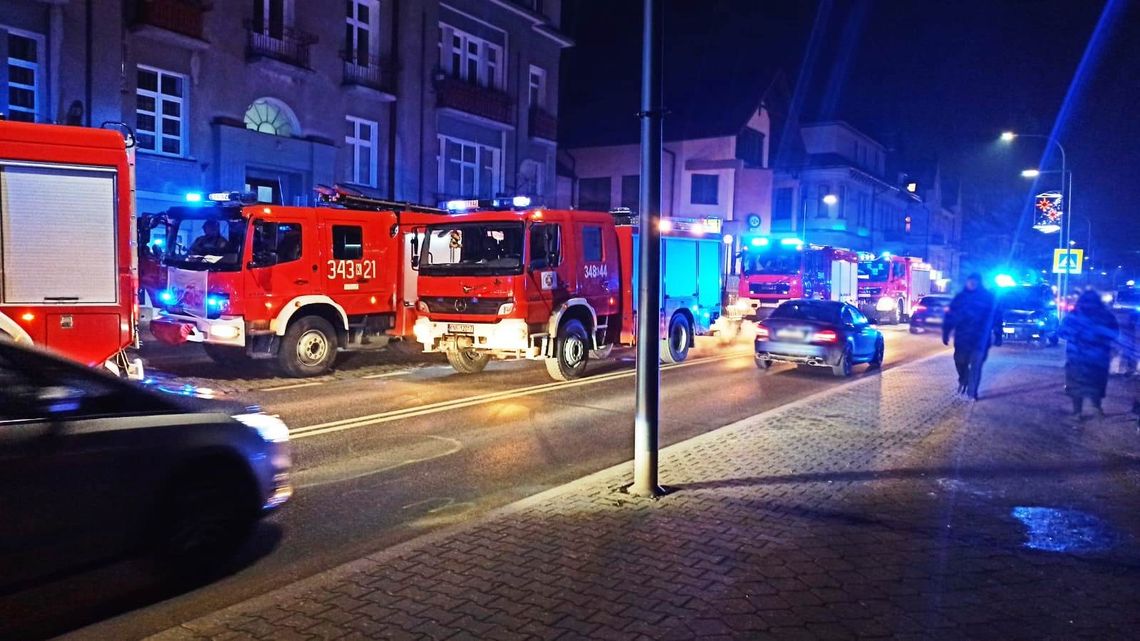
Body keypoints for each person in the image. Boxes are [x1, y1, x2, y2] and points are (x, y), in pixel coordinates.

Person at [942, 273, 1004, 399]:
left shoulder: (988, 298)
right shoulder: (960, 298)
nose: (972, 284)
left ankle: (972, 392)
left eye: (974, 282)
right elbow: (950, 316)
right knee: (960, 361)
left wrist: (998, 334)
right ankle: (963, 379)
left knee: (976, 365)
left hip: (980, 339)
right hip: (962, 338)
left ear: (979, 283)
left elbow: (996, 317)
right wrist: (946, 332)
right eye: (970, 281)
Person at [1059, 290, 1118, 417]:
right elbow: (1114, 334)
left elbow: (1062, 332)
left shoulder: (1074, 315)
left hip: (1077, 357)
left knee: (1077, 384)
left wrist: (1077, 337)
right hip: (1098, 357)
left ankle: (1077, 412)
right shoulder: (1106, 316)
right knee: (1096, 383)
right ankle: (1096, 408)